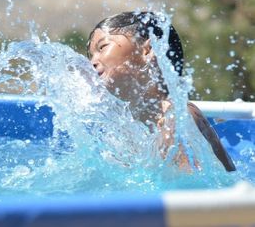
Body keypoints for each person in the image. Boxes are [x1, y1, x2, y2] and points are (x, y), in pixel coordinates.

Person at [87, 11, 236, 172]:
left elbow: (190, 189)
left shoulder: (179, 117)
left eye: (102, 47)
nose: (92, 62)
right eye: (90, 55)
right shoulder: (124, 127)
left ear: (148, 49)